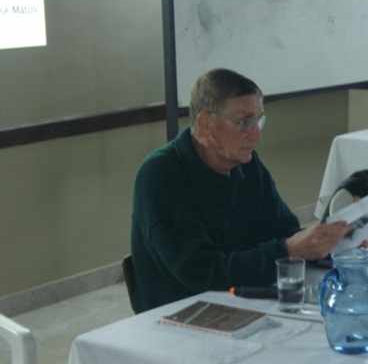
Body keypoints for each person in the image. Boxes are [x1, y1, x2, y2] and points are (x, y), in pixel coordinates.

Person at [130, 68, 350, 313]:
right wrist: (289, 249)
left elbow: (283, 229)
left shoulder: (245, 163)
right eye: (243, 122)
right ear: (205, 124)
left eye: (259, 120)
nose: (256, 134)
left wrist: (327, 243)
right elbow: (200, 271)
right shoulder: (160, 174)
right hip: (182, 311)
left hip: (243, 296)